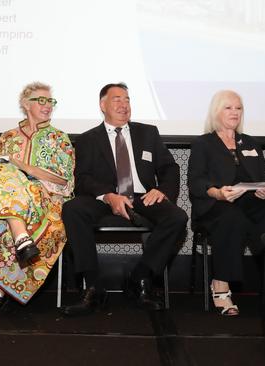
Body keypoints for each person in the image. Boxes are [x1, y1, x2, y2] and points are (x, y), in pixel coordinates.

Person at [60, 82, 188, 316]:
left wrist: (163, 191)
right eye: (117, 99)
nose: (124, 104)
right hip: (104, 199)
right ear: (103, 105)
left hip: (142, 197)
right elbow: (83, 179)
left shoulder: (148, 133)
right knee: (72, 209)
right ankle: (93, 287)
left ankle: (141, 277)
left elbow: (170, 168)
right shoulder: (88, 139)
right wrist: (109, 196)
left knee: (177, 217)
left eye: (127, 99)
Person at [188, 90, 265, 322]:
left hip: (251, 203)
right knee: (232, 217)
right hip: (216, 205)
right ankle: (220, 282)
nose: (235, 112)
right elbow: (196, 182)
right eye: (228, 107)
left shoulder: (249, 143)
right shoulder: (203, 144)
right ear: (216, 111)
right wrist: (217, 192)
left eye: (238, 108)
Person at [0, 82, 75, 316]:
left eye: (51, 101)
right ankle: (22, 239)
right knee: (4, 175)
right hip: (6, 200)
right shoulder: (8, 137)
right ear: (26, 104)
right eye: (41, 100)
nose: (47, 106)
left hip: (45, 202)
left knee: (9, 182)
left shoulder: (59, 138)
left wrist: (21, 166)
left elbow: (63, 180)